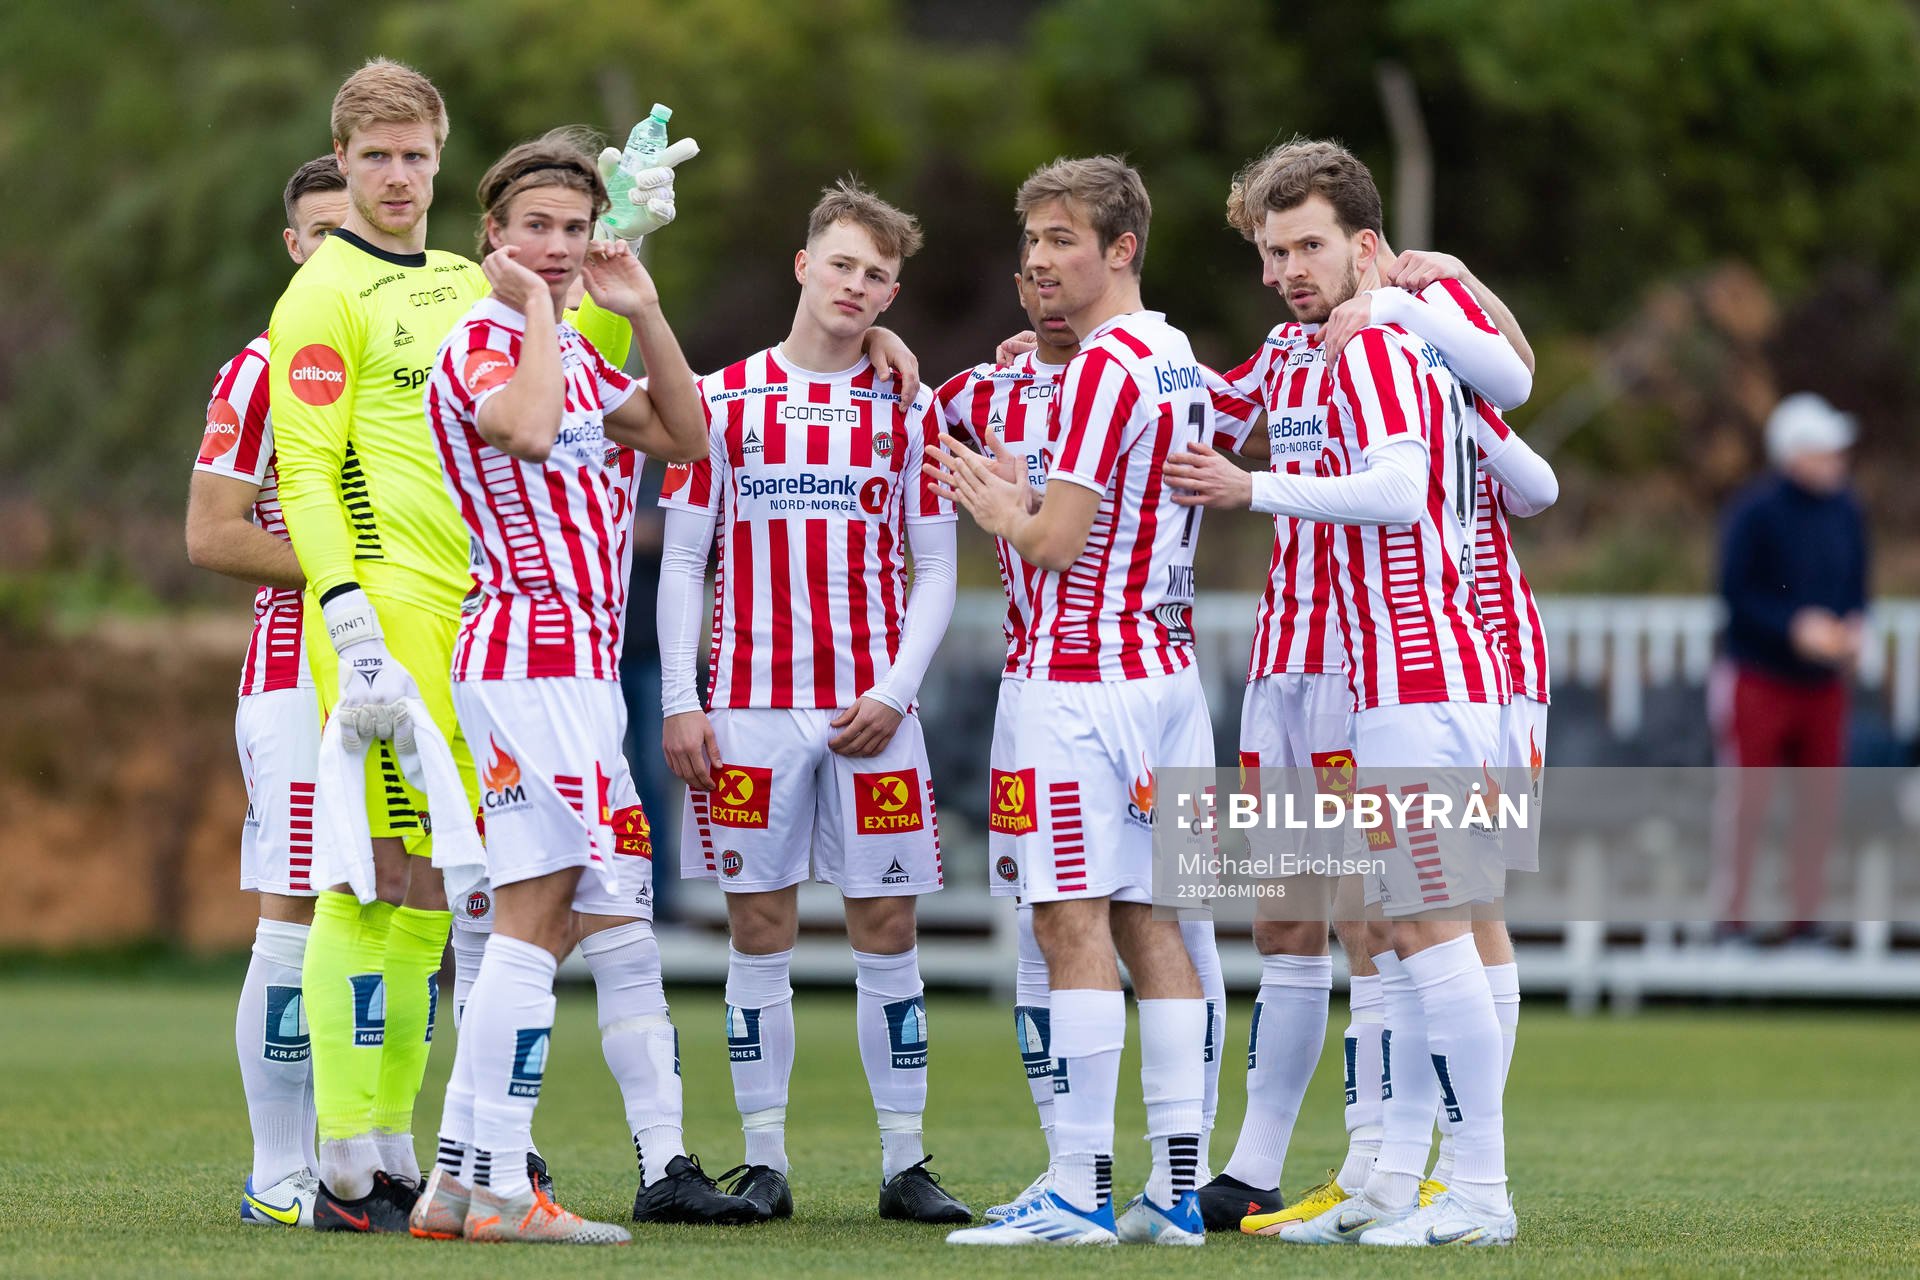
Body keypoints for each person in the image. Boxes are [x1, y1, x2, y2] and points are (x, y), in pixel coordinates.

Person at [1171, 139, 1546, 1235]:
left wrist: (1254, 486)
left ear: (1365, 246)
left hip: (1425, 667)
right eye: (1272, 250)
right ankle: (1398, 1173)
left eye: (1308, 246)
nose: (1289, 269)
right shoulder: (1325, 346)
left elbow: (1423, 474)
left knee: (1430, 922)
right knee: (1404, 920)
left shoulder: (1380, 335)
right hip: (1380, 671)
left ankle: (1466, 1184)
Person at [656, 179, 970, 1225]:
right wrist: (683, 696)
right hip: (748, 708)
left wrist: (895, 687)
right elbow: (686, 558)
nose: (859, 285)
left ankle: (904, 1161)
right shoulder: (720, 400)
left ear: (891, 295)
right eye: (843, 263)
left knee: (888, 925)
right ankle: (764, 1158)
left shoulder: (909, 408)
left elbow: (936, 567)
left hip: (873, 715)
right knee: (759, 927)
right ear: (804, 265)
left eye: (879, 275)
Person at [935, 156, 1215, 1248]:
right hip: (1167, 678)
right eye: (1035, 241)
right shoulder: (1176, 354)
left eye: (1062, 239)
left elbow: (1056, 539)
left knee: (1068, 921)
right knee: (1153, 923)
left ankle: (1078, 1188)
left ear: (1121, 248)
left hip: (1078, 677)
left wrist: (1005, 506)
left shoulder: (1103, 366)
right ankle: (1174, 1192)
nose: (1042, 259)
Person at [185, 154, 348, 1228]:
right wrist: (358, 566)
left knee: (396, 913)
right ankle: (279, 1172)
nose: (345, 252)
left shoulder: (427, 353)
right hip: (297, 675)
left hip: (419, 671)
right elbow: (209, 535)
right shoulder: (259, 370)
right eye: (321, 235)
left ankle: (366, 1158)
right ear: (295, 248)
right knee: (292, 913)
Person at [1710, 392, 1867, 941]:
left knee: (1818, 803)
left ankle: (1807, 917)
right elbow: (1735, 595)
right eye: (1826, 451)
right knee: (1748, 803)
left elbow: (1857, 588)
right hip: (1760, 678)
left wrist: (1852, 627)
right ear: (1795, 454)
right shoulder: (1754, 512)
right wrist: (1793, 627)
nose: (1838, 461)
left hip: (1823, 686)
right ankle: (1732, 918)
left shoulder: (1847, 509)